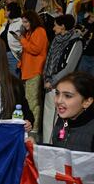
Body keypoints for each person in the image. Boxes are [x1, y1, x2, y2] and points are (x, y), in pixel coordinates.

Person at [43, 15, 83, 143]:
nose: (53, 28)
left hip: (61, 85)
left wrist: (53, 82)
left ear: (63, 26)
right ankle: (46, 145)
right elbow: (49, 61)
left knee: (58, 120)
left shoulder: (75, 42)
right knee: (48, 119)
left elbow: (69, 67)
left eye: (56, 25)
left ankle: (55, 146)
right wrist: (46, 79)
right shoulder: (56, 40)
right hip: (49, 84)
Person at [17, 10, 48, 136]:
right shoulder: (30, 32)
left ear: (32, 20)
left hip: (35, 71)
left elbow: (35, 49)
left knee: (33, 101)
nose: (24, 24)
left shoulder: (40, 31)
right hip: (27, 70)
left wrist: (22, 40)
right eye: (23, 22)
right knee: (28, 100)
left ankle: (34, 128)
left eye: (26, 21)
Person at [51, 72, 94, 152]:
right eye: (57, 93)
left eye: (68, 96)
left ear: (87, 102)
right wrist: (36, 146)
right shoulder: (62, 120)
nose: (59, 100)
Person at [0, 2, 23, 78]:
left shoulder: (20, 23)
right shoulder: (5, 24)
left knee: (14, 80)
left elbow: (24, 38)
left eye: (6, 10)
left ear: (12, 11)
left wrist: (20, 52)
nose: (4, 12)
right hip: (3, 55)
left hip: (14, 55)